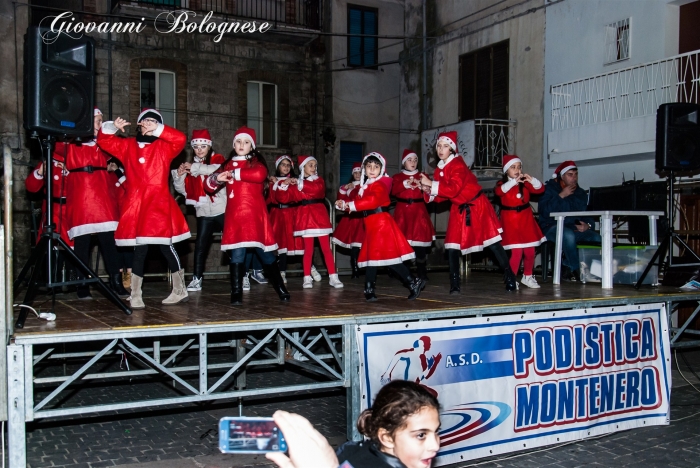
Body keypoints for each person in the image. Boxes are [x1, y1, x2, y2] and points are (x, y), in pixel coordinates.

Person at [97, 108, 191, 309]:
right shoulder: (127, 145)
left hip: (158, 203)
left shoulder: (164, 147)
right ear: (138, 125)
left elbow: (180, 139)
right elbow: (103, 141)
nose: (148, 123)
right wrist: (113, 127)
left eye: (153, 121)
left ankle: (179, 289)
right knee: (139, 250)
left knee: (166, 246)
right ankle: (136, 294)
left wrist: (159, 129)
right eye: (145, 121)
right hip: (137, 204)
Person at [419, 131, 517, 293]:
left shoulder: (458, 164)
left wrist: (430, 183)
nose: (441, 149)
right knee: (452, 247)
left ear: (451, 149)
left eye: (445, 146)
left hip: (477, 206)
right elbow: (442, 196)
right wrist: (427, 189)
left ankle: (509, 276)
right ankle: (455, 284)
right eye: (439, 146)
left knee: (492, 244)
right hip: (459, 208)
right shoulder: (439, 169)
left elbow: (453, 190)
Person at [204, 126, 289, 305]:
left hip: (254, 216)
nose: (242, 145)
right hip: (236, 217)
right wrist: (217, 179)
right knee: (237, 255)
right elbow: (207, 186)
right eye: (238, 141)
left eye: (246, 142)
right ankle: (236, 292)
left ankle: (281, 288)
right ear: (234, 144)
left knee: (265, 255)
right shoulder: (226, 164)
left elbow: (259, 175)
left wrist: (235, 174)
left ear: (252, 146)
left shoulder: (256, 163)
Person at [59, 107, 129, 299]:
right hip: (81, 192)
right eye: (96, 121)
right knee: (82, 242)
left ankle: (116, 282)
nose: (99, 125)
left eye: (100, 121)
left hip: (101, 193)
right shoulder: (70, 142)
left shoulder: (103, 143)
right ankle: (82, 284)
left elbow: (108, 137)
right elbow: (58, 149)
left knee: (109, 241)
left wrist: (110, 126)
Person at [337, 152, 425, 301]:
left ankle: (376, 288)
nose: (372, 169)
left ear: (381, 169)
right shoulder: (365, 186)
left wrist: (350, 205)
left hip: (381, 224)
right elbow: (355, 200)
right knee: (376, 258)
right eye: (369, 166)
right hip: (372, 224)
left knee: (388, 258)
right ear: (364, 168)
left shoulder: (381, 184)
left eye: (375, 167)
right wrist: (343, 204)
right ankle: (407, 282)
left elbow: (372, 201)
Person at [336, 379, 441, 468]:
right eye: (421, 435)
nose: (435, 446)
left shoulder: (352, 451)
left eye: (436, 431)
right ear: (387, 438)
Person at [276, 155, 343, 289]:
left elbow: (317, 190)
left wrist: (300, 183)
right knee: (308, 250)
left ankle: (333, 276)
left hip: (319, 218)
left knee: (326, 249)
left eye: (315, 165)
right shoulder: (297, 184)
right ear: (303, 167)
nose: (313, 168)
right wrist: (284, 185)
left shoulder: (319, 181)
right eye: (310, 165)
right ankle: (307, 277)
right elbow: (285, 198)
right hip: (305, 219)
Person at [171, 129, 226, 292]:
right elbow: (183, 191)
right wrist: (180, 176)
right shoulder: (192, 167)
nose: (200, 149)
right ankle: (197, 278)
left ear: (209, 147)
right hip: (203, 212)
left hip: (221, 209)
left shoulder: (218, 159)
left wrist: (194, 167)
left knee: (232, 242)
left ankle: (243, 273)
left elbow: (218, 171)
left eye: (203, 146)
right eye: (196, 147)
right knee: (200, 246)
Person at [538, 160, 601, 282]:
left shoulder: (581, 193)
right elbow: (544, 211)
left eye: (576, 174)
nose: (574, 178)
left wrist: (587, 225)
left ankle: (573, 266)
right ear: (562, 176)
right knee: (568, 235)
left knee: (596, 238)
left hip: (573, 227)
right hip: (551, 226)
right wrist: (560, 196)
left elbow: (587, 215)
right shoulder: (549, 189)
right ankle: (578, 271)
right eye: (570, 174)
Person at [494, 154, 546, 289]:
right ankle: (511, 278)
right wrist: (513, 182)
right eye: (513, 167)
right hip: (511, 221)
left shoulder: (525, 183)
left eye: (519, 167)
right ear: (506, 170)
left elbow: (540, 189)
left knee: (530, 251)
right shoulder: (502, 184)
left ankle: (528, 276)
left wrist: (532, 180)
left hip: (526, 220)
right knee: (516, 252)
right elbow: (499, 192)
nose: (517, 170)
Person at [392, 149, 435, 281]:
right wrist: (405, 184)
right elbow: (393, 191)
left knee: (420, 243)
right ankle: (405, 274)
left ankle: (422, 272)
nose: (413, 162)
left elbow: (431, 192)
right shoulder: (397, 177)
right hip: (402, 213)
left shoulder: (423, 176)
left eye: (415, 160)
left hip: (419, 212)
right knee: (403, 244)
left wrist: (424, 188)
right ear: (404, 162)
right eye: (410, 160)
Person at [268, 155, 304, 284]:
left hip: (291, 214)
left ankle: (310, 268)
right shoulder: (273, 181)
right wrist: (273, 183)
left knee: (297, 242)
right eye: (283, 164)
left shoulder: (294, 181)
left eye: (288, 165)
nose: (286, 167)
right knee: (281, 244)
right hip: (277, 215)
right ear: (278, 166)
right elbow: (271, 198)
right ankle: (281, 272)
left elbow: (296, 197)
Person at [332, 162, 365, 279]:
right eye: (355, 172)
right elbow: (340, 201)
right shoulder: (349, 187)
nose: (357, 174)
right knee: (354, 245)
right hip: (352, 219)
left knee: (365, 244)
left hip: (363, 218)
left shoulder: (365, 185)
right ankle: (355, 269)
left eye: (359, 172)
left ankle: (364, 268)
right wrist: (344, 189)